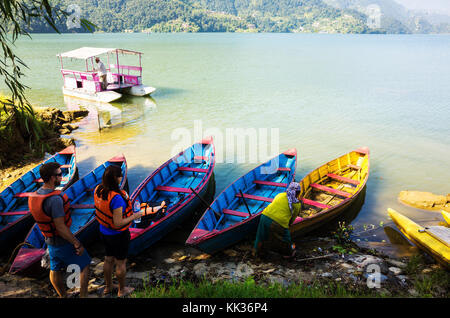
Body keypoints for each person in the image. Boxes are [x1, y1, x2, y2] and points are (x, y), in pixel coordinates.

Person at [94, 165, 165, 297]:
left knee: (108, 259)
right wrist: (135, 216)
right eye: (120, 176)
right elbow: (118, 222)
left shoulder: (98, 189)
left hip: (103, 231)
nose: (121, 178)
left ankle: (108, 287)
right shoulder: (116, 198)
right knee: (121, 262)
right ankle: (122, 290)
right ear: (116, 178)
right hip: (118, 235)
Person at [29, 162, 91, 298]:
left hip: (49, 241)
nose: (62, 178)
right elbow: (61, 227)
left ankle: (63, 296)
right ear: (52, 178)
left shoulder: (35, 195)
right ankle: (83, 296)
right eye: (59, 175)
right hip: (62, 241)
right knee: (85, 265)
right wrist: (77, 243)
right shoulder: (55, 199)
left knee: (55, 268)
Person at [253, 182, 302, 259]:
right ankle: (289, 253)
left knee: (261, 235)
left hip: (264, 216)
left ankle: (256, 252)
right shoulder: (297, 204)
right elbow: (292, 219)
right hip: (278, 222)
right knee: (286, 239)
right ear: (298, 193)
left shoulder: (280, 195)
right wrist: (287, 227)